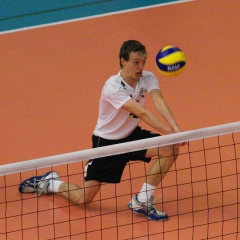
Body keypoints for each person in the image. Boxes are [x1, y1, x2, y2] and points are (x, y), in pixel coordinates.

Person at [19, 40, 185, 221]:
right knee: (83, 199)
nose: (140, 67)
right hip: (107, 144)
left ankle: (142, 200)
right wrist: (171, 133)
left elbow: (159, 102)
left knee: (170, 148)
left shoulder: (147, 77)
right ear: (123, 61)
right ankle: (50, 183)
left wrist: (176, 130)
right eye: (136, 62)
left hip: (132, 136)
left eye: (143, 62)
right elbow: (142, 113)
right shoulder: (113, 86)